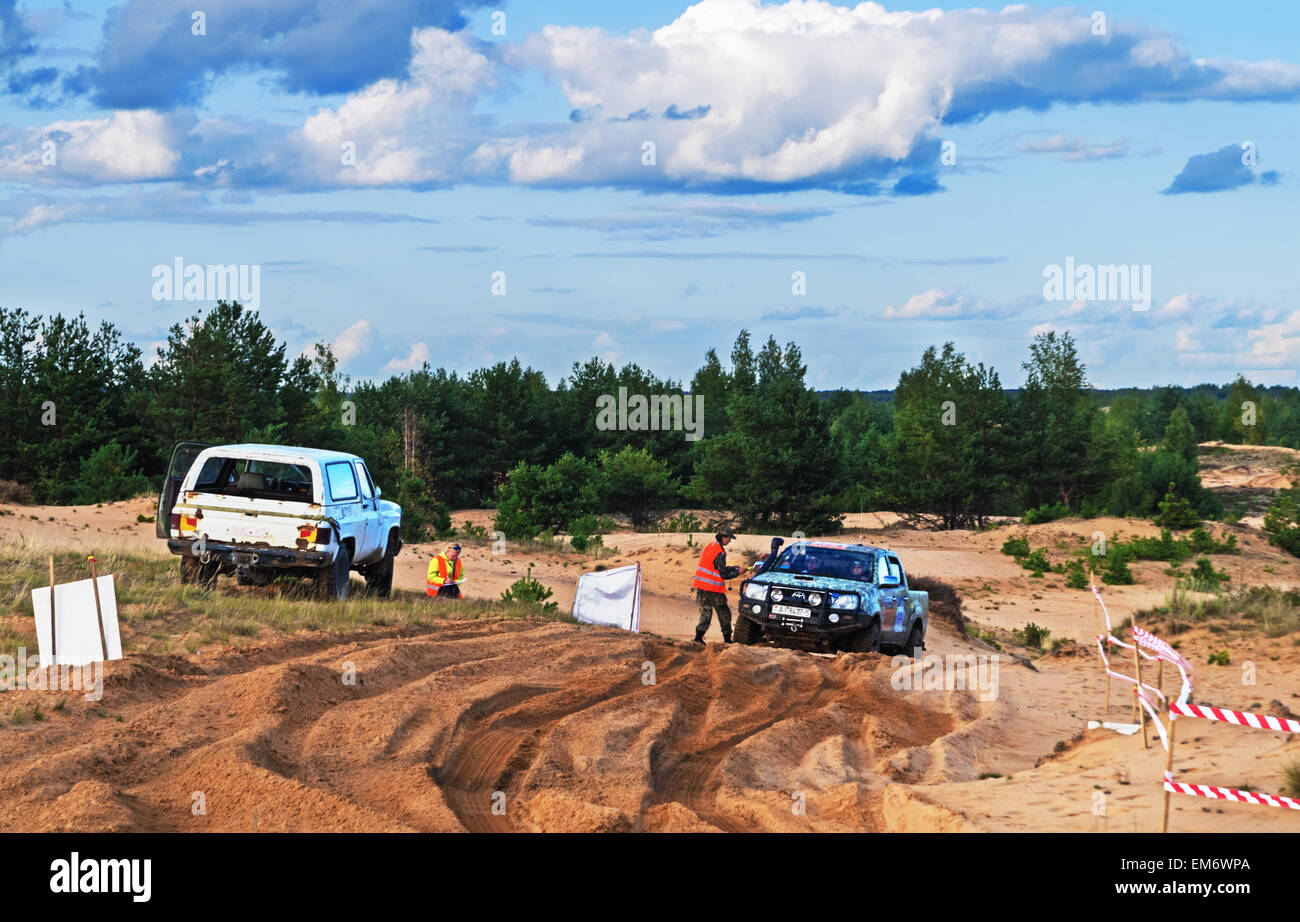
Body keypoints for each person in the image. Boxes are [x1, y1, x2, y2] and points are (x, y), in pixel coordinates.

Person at [693, 526, 742, 644]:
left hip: (702, 587)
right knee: (724, 613)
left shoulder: (711, 546)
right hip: (714, 589)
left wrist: (732, 567)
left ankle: (698, 638)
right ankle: (727, 640)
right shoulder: (720, 552)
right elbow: (723, 573)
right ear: (724, 537)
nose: (730, 541)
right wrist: (737, 573)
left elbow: (714, 566)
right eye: (729, 538)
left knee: (705, 613)